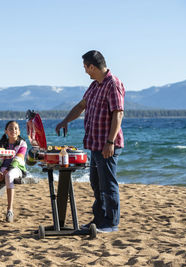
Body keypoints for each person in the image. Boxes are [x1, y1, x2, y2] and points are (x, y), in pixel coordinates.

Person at [55, 50, 125, 233]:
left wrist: (110, 142)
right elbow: (81, 106)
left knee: (108, 183)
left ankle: (111, 223)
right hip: (95, 144)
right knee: (96, 183)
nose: (85, 71)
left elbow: (118, 113)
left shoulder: (113, 84)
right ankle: (100, 220)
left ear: (92, 66)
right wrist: (65, 121)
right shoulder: (95, 86)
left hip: (108, 144)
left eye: (86, 67)